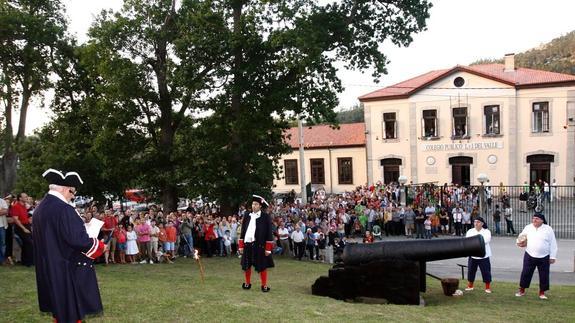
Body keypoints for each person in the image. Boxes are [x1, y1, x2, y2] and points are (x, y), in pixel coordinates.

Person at [32, 169, 105, 322]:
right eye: (73, 192)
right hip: (66, 266)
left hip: (49, 265)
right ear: (65, 188)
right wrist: (98, 246)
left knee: (59, 308)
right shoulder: (64, 209)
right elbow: (78, 240)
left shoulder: (40, 208)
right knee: (70, 310)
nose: (73, 196)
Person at [515, 213, 558, 300]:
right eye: (533, 218)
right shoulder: (528, 227)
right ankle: (522, 290)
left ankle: (542, 292)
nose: (534, 220)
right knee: (526, 273)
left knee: (544, 275)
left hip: (544, 256)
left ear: (542, 220)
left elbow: (553, 243)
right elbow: (521, 237)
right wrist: (518, 243)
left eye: (537, 219)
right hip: (529, 254)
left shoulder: (548, 229)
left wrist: (553, 256)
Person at [239, 195, 274, 292]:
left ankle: (264, 285)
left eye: (256, 204)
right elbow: (243, 231)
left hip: (260, 246)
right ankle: (247, 283)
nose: (254, 206)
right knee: (246, 265)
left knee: (262, 266)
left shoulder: (265, 217)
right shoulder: (247, 215)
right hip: (247, 244)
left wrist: (268, 248)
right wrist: (241, 246)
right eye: (253, 204)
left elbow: (269, 233)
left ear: (260, 206)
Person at [464, 217, 493, 293]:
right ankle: (470, 286)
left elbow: (485, 241)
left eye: (478, 222)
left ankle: (487, 287)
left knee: (486, 271)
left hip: (484, 255)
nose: (476, 224)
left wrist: (474, 242)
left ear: (482, 224)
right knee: (471, 271)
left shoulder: (487, 232)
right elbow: (467, 241)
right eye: (475, 222)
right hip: (473, 255)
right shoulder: (470, 231)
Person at [11, 192, 34, 266]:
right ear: (20, 198)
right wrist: (23, 228)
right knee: (29, 243)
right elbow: (15, 219)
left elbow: (25, 217)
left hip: (26, 225)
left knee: (27, 244)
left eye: (27, 196)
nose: (27, 198)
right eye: (25, 197)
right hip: (20, 227)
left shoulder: (24, 206)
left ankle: (26, 261)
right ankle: (29, 262)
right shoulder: (15, 206)